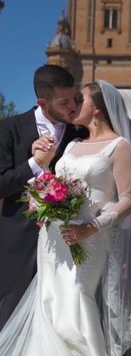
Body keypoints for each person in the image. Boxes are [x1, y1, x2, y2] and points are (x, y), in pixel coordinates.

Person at [0, 80, 131, 356]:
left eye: (79, 100)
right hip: (53, 240)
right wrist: (43, 172)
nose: (72, 106)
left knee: (75, 307)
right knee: (50, 309)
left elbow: (128, 201)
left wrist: (91, 227)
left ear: (96, 107)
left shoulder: (119, 148)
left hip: (90, 239)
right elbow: (53, 183)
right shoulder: (71, 147)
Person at [0, 64, 81, 331]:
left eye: (75, 98)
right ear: (43, 103)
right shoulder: (9, 128)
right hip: (19, 241)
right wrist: (35, 164)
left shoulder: (80, 131)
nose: (73, 106)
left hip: (68, 239)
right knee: (11, 312)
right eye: (64, 102)